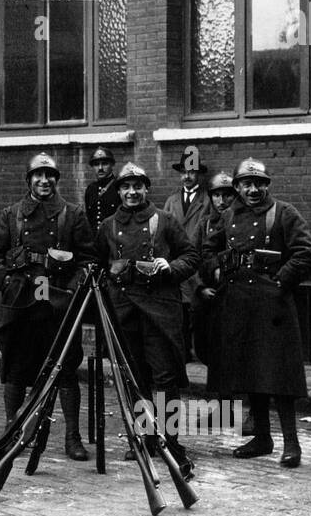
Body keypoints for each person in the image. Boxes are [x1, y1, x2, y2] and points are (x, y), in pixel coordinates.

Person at [201, 158, 311, 468]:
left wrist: (280, 280)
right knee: (250, 372)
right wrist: (215, 270)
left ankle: (292, 443)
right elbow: (206, 250)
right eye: (246, 184)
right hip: (238, 305)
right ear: (237, 187)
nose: (253, 189)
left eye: (259, 183)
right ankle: (262, 438)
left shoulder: (284, 213)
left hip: (273, 306)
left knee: (279, 376)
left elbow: (308, 254)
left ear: (267, 185)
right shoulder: (227, 217)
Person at [0, 153, 97, 461]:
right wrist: (5, 280)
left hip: (58, 308)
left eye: (49, 175)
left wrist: (73, 291)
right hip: (21, 304)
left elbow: (88, 260)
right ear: (29, 180)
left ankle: (72, 438)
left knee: (66, 370)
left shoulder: (72, 214)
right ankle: (12, 430)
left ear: (57, 180)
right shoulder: (12, 214)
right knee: (16, 370)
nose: (44, 180)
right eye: (38, 175)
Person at [96, 162, 199, 477]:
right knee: (133, 379)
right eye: (125, 187)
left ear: (145, 189)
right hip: (124, 313)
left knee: (165, 379)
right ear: (120, 191)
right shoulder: (108, 226)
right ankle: (144, 437)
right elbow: (97, 265)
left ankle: (170, 440)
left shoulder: (165, 221)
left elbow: (192, 257)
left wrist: (169, 266)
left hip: (159, 313)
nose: (131, 192)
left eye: (137, 186)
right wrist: (109, 275)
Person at [163, 152, 210, 361]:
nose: (187, 176)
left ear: (198, 174)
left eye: (192, 171)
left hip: (197, 261)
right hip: (176, 261)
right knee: (179, 308)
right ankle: (181, 352)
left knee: (196, 308)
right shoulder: (172, 201)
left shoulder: (207, 200)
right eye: (184, 172)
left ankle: (197, 350)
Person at [194, 171, 235, 402]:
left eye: (227, 195)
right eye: (217, 195)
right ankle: (223, 405)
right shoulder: (205, 223)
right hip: (209, 299)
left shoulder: (240, 221)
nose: (222, 201)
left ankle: (229, 408)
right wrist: (200, 287)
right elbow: (193, 256)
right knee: (208, 351)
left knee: (231, 355)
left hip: (234, 297)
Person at [83, 147, 119, 232]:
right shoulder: (91, 189)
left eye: (104, 164)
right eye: (96, 164)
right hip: (96, 238)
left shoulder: (119, 186)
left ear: (112, 165)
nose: (100, 168)